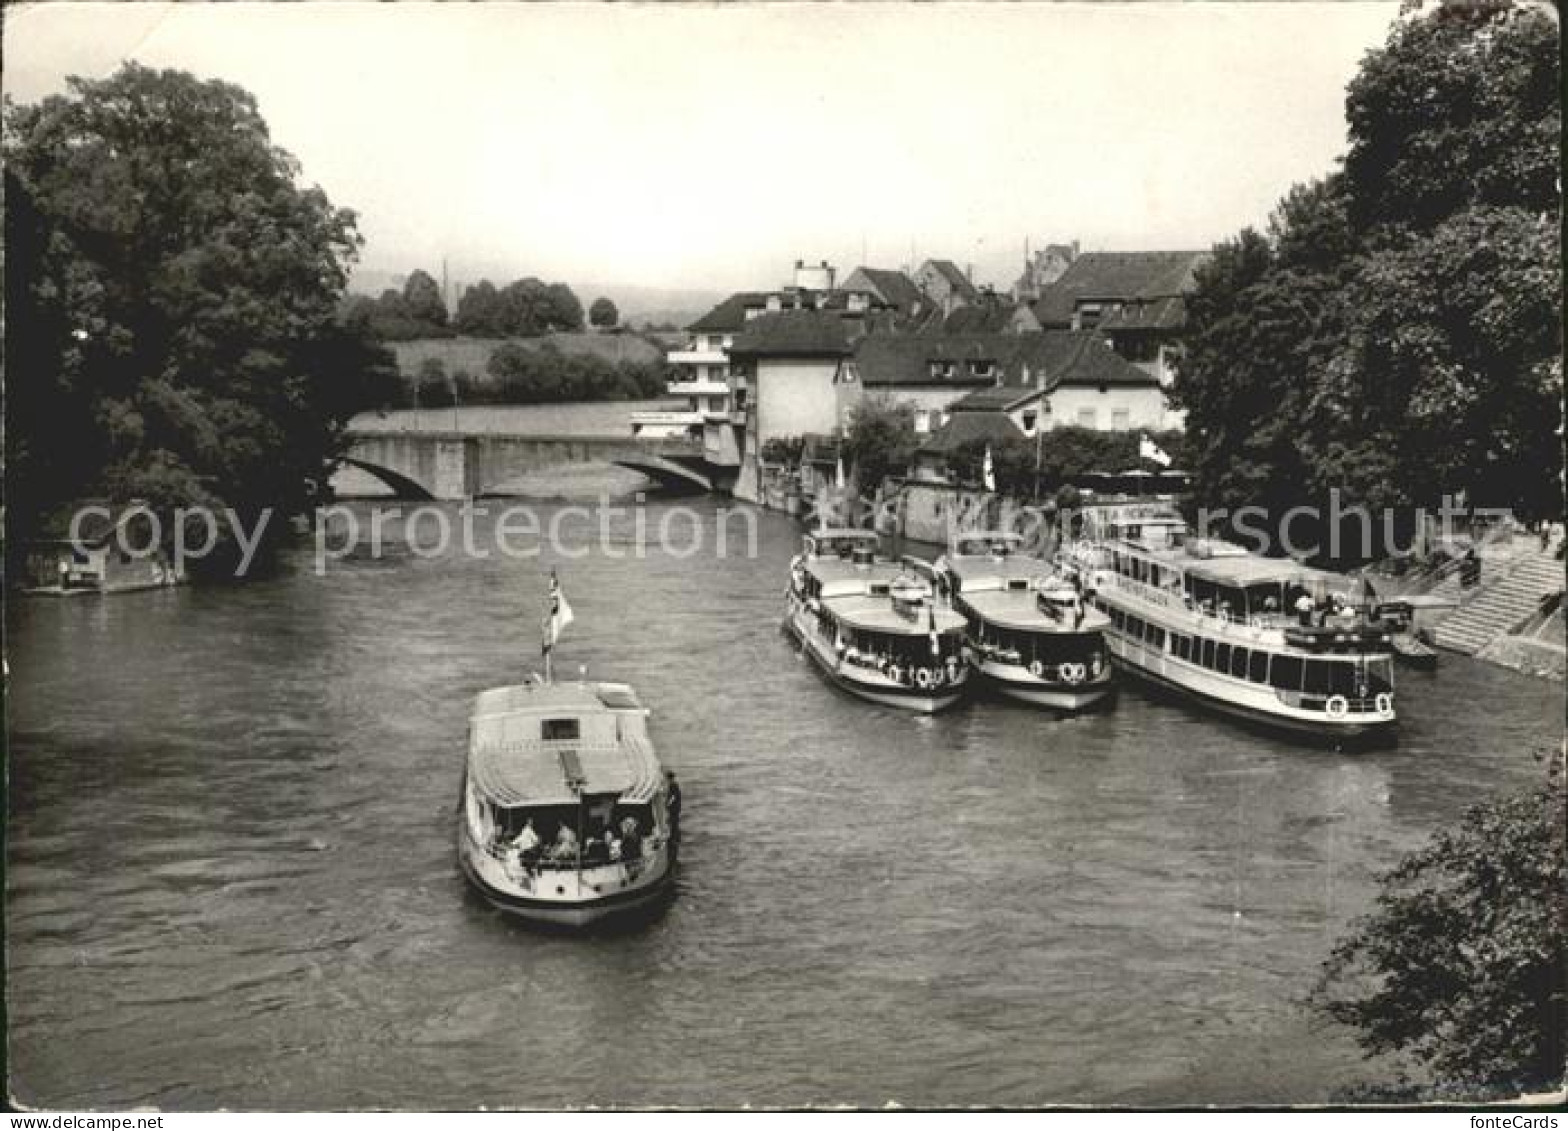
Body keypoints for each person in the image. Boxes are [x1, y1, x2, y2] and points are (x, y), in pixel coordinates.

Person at [666, 772, 682, 838]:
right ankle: (675, 833)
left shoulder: (673, 785)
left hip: (674, 807)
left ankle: (674, 834)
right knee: (674, 820)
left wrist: (668, 803)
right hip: (676, 806)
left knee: (673, 820)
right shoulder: (674, 784)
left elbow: (674, 796)